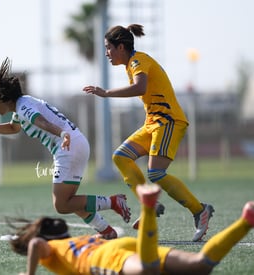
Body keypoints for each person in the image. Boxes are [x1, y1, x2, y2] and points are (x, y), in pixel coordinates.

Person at [0, 57, 131, 239]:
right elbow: (13, 128)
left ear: (4, 98)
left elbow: (41, 122)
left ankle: (113, 202)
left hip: (67, 146)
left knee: (62, 205)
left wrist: (62, 134)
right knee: (71, 201)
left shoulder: (24, 107)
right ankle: (106, 231)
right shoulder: (22, 104)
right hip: (75, 143)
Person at [83, 24, 214, 241]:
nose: (107, 53)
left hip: (168, 122)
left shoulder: (137, 61)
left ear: (121, 47)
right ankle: (149, 205)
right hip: (153, 123)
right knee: (121, 157)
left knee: (155, 173)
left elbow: (140, 87)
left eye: (109, 48)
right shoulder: (132, 63)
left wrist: (105, 93)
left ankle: (200, 210)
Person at [8, 183, 254, 275]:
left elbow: (35, 245)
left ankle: (147, 208)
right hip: (120, 248)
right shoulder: (77, 240)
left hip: (108, 258)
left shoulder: (50, 250)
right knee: (200, 266)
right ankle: (246, 220)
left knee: (148, 270)